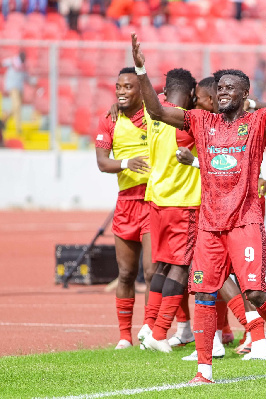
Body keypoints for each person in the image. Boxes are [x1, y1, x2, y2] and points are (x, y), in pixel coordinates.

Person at [131, 27, 266, 383]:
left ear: (245, 94)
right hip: (209, 223)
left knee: (255, 292)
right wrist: (140, 71)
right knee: (204, 293)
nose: (224, 92)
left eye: (231, 88)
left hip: (244, 220)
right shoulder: (201, 120)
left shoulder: (256, 122)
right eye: (220, 88)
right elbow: (156, 111)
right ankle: (204, 370)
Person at [177, 76, 266, 362]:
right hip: (213, 210)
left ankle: (257, 337)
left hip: (241, 210)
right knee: (211, 278)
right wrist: (193, 161)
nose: (202, 103)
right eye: (214, 93)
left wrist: (250, 103)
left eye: (201, 99)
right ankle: (219, 339)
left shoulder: (252, 120)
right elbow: (216, 160)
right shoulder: (204, 124)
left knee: (243, 280)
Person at [136, 68, 198, 353]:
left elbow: (148, 104)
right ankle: (160, 333)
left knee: (161, 265)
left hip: (156, 199)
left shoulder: (153, 113)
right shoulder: (185, 124)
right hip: (182, 203)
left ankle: (149, 325)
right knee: (181, 268)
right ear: (191, 94)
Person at [95, 67, 154, 350]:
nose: (121, 91)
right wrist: (126, 163)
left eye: (128, 87)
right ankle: (124, 336)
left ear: (141, 89)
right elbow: (102, 163)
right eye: (118, 86)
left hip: (153, 201)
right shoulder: (110, 120)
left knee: (153, 271)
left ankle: (150, 332)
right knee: (126, 273)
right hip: (126, 203)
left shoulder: (155, 115)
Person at [1, 51, 27, 135]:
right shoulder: (12, 61)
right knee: (17, 106)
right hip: (12, 87)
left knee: (17, 108)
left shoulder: (24, 66)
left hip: (19, 88)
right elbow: (2, 63)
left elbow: (26, 77)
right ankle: (18, 128)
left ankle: (5, 117)